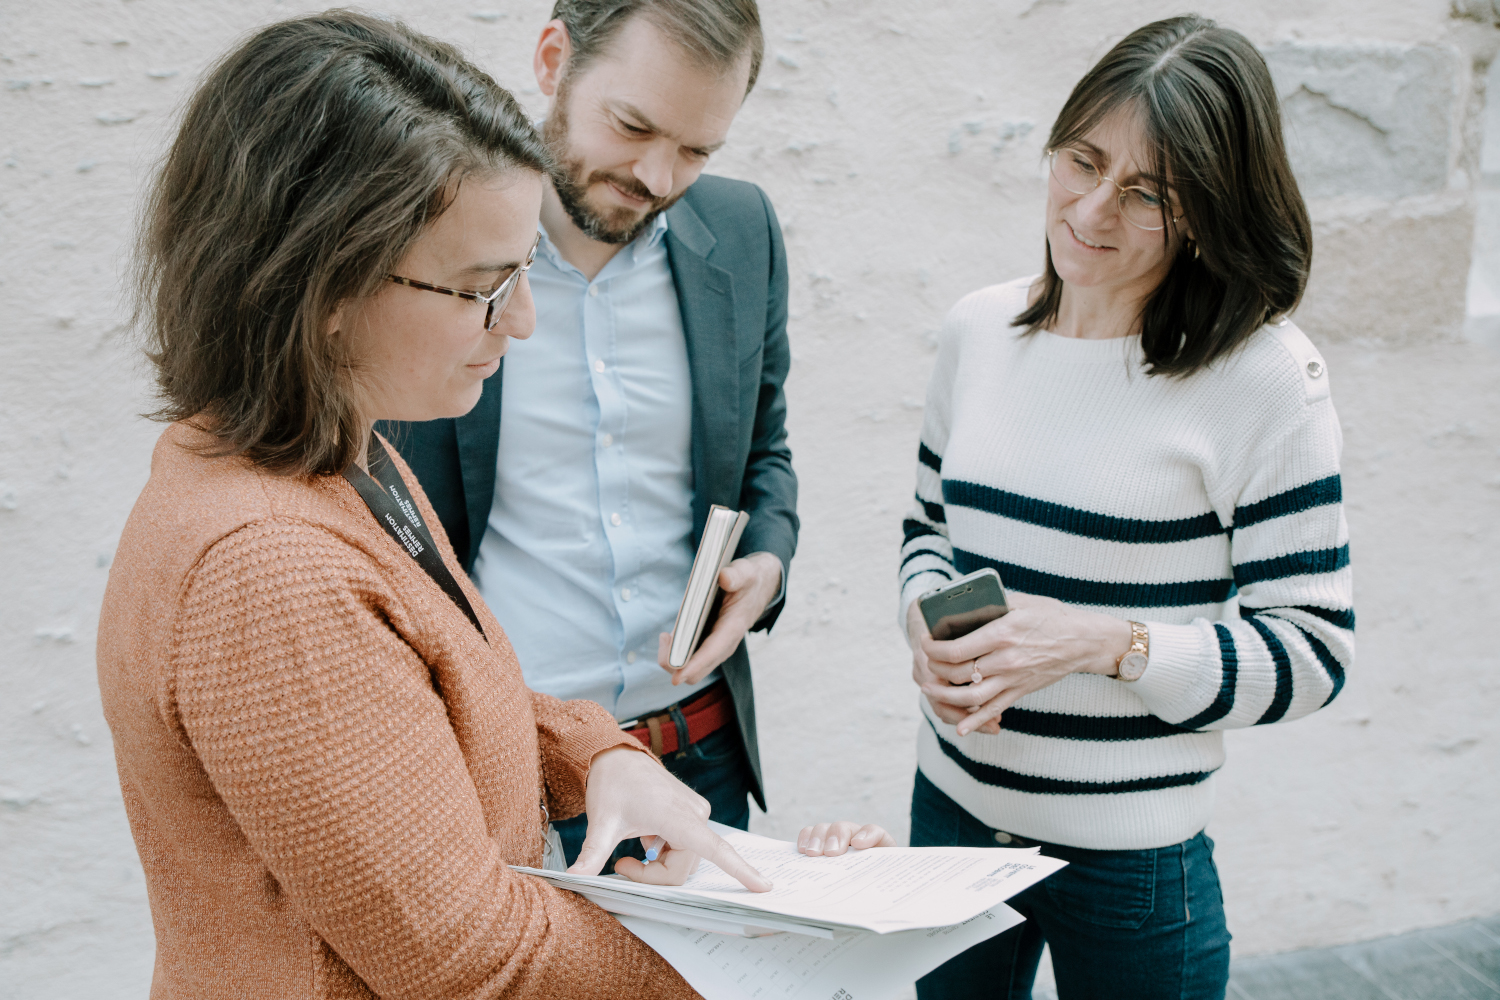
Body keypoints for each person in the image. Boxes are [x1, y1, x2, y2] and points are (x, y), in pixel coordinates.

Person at [97, 12, 830, 997]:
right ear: (326, 284)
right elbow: (474, 962)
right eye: (486, 289)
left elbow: (428, 687)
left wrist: (593, 753)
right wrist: (764, 949)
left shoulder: (338, 454)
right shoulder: (265, 568)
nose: (521, 323)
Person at [898, 16, 1354, 1000]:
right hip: (949, 824)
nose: (1091, 208)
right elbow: (929, 531)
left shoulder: (1266, 380)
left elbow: (1315, 652)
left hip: (1135, 872)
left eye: (1146, 192)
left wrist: (1109, 643)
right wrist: (925, 619)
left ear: (1206, 211)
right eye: (1082, 160)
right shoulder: (977, 330)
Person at [383, 0, 795, 865]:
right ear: (551, 59)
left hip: (700, 759)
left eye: (696, 149)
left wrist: (769, 560)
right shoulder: (426, 238)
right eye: (633, 125)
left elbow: (764, 448)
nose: (658, 175)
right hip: (508, 766)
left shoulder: (745, 228)